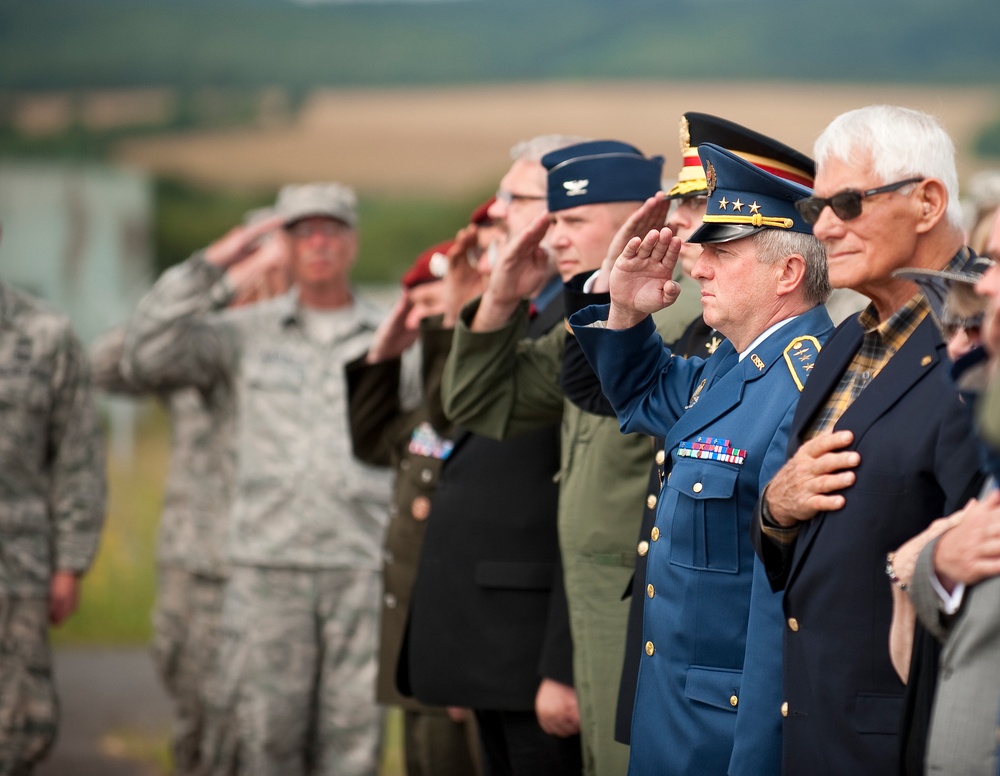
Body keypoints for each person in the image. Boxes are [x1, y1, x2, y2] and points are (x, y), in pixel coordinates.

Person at [568, 143, 833, 774]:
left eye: (721, 253)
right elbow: (642, 399)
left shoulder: (807, 385)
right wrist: (627, 312)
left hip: (729, 731)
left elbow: (784, 599)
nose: (698, 270)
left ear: (788, 272)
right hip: (675, 715)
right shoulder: (729, 365)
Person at [121, 182, 399, 776]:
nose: (318, 243)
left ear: (352, 242)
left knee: (354, 751)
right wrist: (223, 259)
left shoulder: (391, 336)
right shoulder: (242, 335)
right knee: (264, 746)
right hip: (268, 569)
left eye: (331, 230)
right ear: (282, 244)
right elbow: (144, 353)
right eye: (302, 232)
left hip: (360, 567)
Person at [442, 139, 692, 776]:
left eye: (574, 220)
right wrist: (499, 296)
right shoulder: (584, 314)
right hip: (589, 605)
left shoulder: (673, 310)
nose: (553, 238)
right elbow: (477, 402)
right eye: (551, 219)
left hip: (638, 604)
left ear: (641, 217)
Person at [751, 105, 984, 774]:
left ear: (928, 202)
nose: (822, 227)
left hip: (917, 737)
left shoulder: (981, 343)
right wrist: (775, 510)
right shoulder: (847, 339)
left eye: (847, 203)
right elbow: (805, 551)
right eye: (816, 205)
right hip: (815, 730)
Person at [403, 135, 586, 776]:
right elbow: (457, 412)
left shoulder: (586, 315)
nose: (500, 210)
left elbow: (592, 505)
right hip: (495, 639)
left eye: (516, 197)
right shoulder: (536, 304)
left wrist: (562, 664)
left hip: (534, 643)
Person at [88, 211, 292, 775]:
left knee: (276, 729)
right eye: (260, 258)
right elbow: (107, 364)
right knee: (197, 720)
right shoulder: (194, 345)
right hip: (196, 560)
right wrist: (217, 281)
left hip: (283, 562)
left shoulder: (305, 341)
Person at [346, 233, 485, 776]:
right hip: (414, 626)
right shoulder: (425, 407)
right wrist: (385, 349)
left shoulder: (466, 397)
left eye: (434, 306)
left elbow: (450, 409)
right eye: (418, 310)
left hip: (453, 628)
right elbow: (370, 440)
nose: (426, 321)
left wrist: (452, 324)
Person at [0, 226, 107, 773]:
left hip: (17, 565)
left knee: (20, 723)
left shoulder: (44, 334)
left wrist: (71, 562)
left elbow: (77, 456)